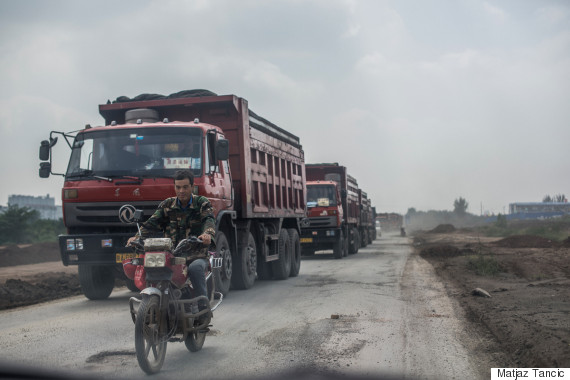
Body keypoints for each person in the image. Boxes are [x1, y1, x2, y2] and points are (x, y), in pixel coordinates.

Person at [127, 169, 216, 322]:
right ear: (174, 187)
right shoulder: (167, 205)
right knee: (152, 267)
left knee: (195, 269)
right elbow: (151, 224)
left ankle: (203, 309)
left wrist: (207, 234)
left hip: (196, 255)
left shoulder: (201, 203)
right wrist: (136, 237)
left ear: (192, 186)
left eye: (185, 187)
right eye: (178, 187)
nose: (181, 191)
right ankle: (155, 304)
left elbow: (209, 219)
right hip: (172, 255)